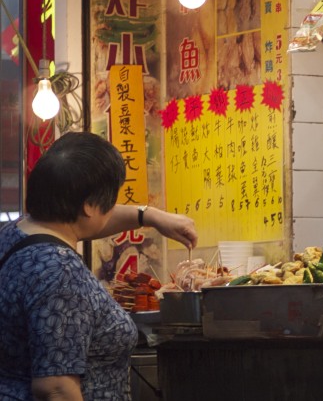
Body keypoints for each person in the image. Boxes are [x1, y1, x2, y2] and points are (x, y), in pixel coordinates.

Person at [0, 131, 198, 401]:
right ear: (89, 206)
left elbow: (89, 216)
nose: (110, 208)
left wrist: (149, 216)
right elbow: (56, 389)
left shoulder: (15, 233)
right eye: (108, 200)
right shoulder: (59, 271)